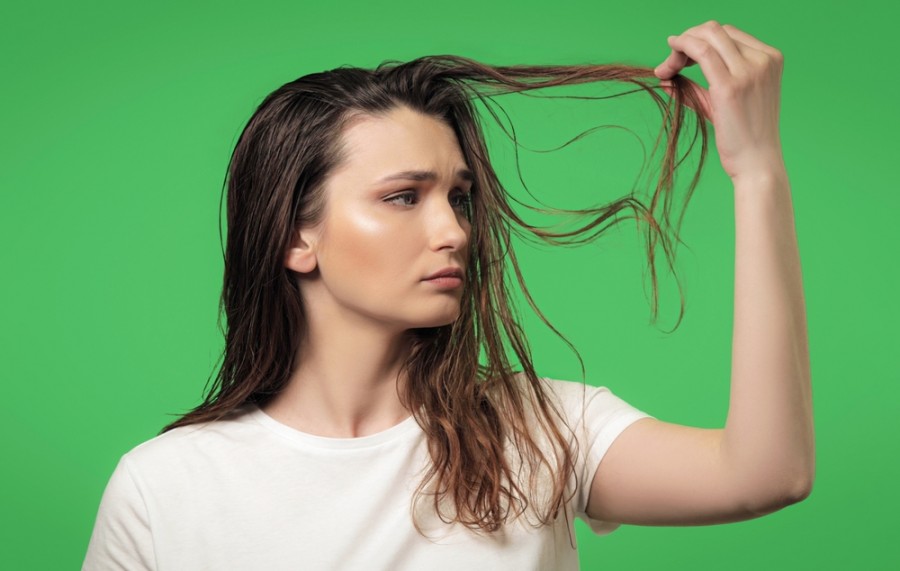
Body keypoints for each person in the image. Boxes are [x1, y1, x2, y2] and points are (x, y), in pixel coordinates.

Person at [83, 21, 814, 570]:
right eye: (404, 197)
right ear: (294, 238)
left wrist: (758, 173)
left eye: (459, 197)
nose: (454, 231)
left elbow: (766, 472)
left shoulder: (541, 431)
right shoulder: (163, 487)